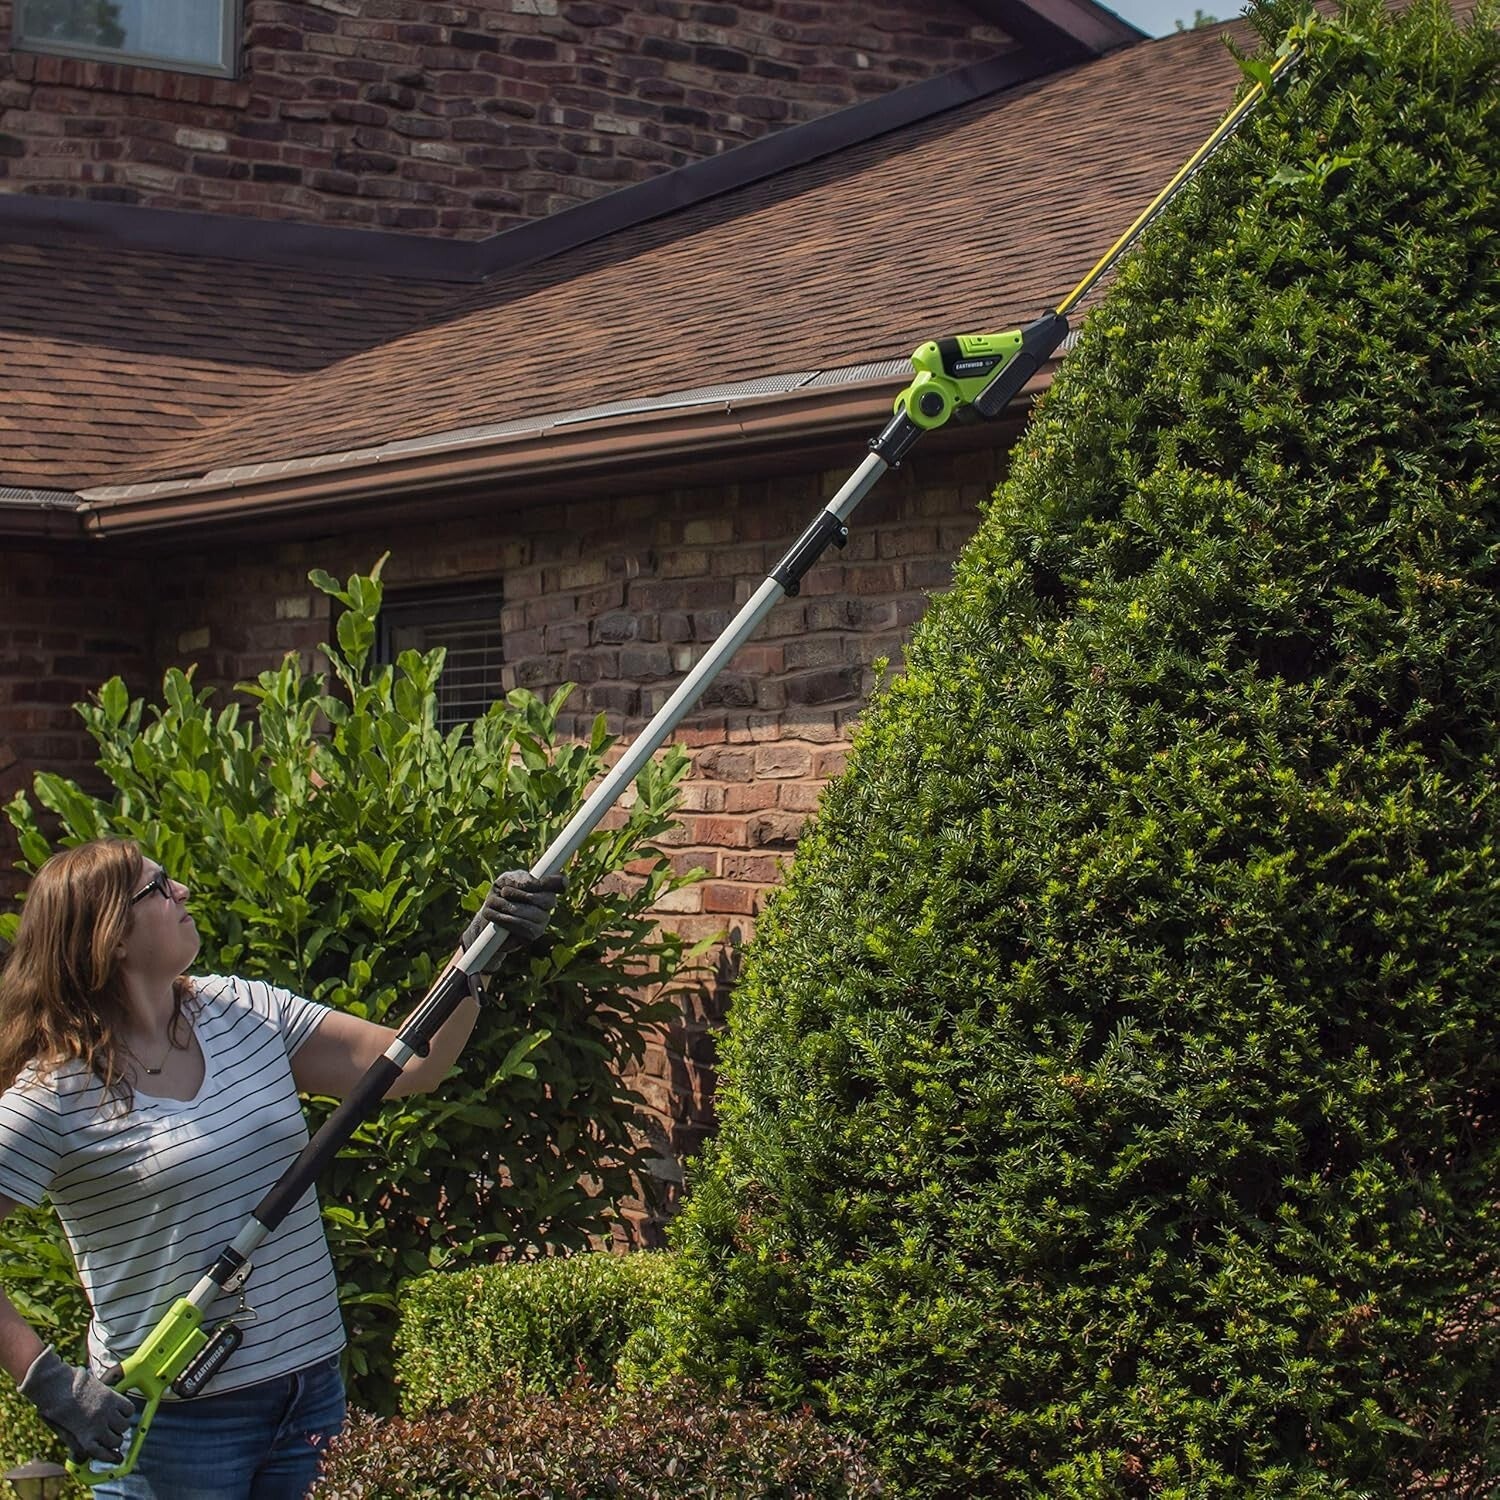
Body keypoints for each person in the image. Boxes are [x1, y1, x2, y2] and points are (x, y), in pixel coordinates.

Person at [0, 837, 564, 1499]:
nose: (183, 892)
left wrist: (480, 954)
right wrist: (44, 1377)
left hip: (310, 1394)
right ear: (111, 935)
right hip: (178, 1423)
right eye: (159, 888)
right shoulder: (55, 1095)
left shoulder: (243, 1011)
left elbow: (414, 1062)